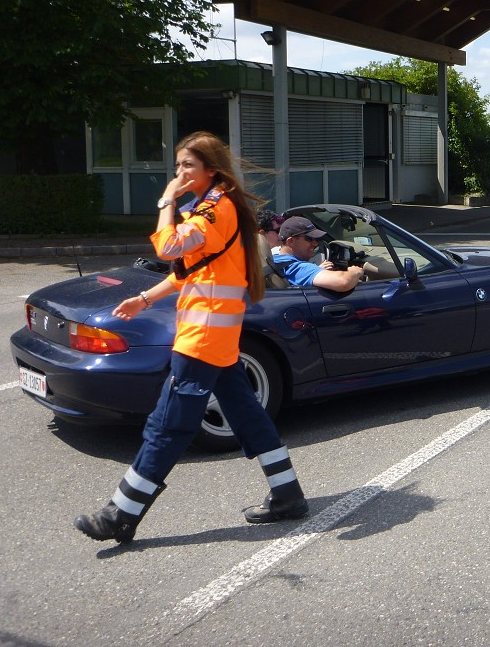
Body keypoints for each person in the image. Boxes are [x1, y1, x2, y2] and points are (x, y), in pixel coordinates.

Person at [75, 132, 309, 544]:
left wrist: (165, 199)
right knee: (249, 416)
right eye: (178, 166)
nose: (180, 173)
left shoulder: (213, 212)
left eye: (187, 166)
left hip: (203, 339)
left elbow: (168, 247)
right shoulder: (213, 207)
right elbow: (189, 271)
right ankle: (287, 494)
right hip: (215, 337)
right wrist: (143, 299)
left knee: (167, 425)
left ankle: (121, 514)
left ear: (211, 170)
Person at [272, 216, 365, 290]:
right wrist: (354, 272)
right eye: (309, 238)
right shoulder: (299, 268)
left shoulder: (275, 259)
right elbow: (344, 282)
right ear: (291, 241)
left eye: (316, 239)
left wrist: (317, 270)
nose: (315, 243)